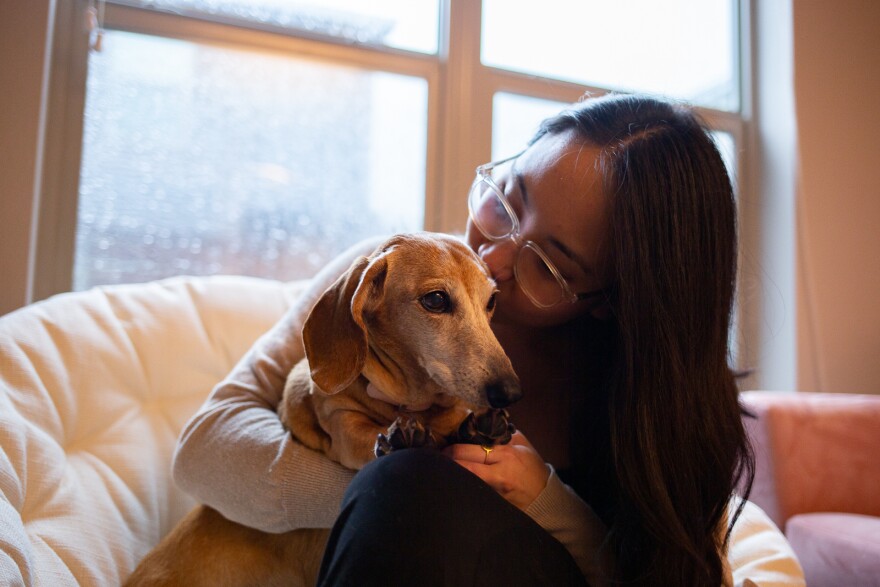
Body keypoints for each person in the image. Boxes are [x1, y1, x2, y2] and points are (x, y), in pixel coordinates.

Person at [171, 93, 805, 586]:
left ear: (612, 302)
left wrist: (545, 502)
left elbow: (672, 576)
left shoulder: (656, 406)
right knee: (406, 487)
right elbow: (202, 451)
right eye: (506, 198)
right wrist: (386, 474)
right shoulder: (394, 274)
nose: (490, 255)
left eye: (549, 265)